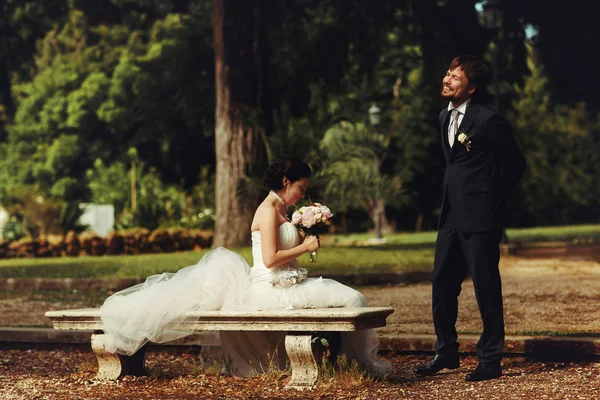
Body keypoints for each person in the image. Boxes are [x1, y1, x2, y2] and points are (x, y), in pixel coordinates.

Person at [101, 159, 391, 378]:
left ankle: (352, 362)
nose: (302, 195)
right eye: (300, 188)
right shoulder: (266, 211)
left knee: (352, 299)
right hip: (271, 289)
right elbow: (269, 258)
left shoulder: (284, 211)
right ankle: (357, 364)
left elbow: (287, 253)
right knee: (351, 298)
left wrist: (305, 228)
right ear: (286, 181)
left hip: (289, 282)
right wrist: (305, 248)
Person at [414, 56, 526, 382]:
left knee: (485, 289)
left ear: (472, 87)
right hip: (450, 215)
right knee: (442, 285)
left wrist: (489, 195)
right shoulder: (442, 117)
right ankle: (446, 352)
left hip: (481, 217)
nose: (447, 79)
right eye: (447, 73)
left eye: (456, 77)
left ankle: (490, 359)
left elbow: (516, 164)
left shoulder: (488, 120)